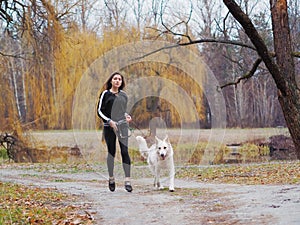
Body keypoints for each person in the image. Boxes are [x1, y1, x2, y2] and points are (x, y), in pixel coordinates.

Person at [97, 72, 133, 192]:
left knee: (124, 151)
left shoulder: (124, 95)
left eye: (119, 79)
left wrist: (127, 116)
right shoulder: (105, 94)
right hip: (109, 127)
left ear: (121, 82)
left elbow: (123, 111)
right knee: (111, 152)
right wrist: (109, 121)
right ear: (111, 81)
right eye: (115, 79)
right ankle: (111, 178)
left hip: (122, 126)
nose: (117, 81)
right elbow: (99, 111)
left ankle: (127, 180)